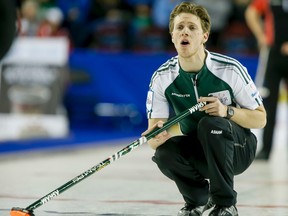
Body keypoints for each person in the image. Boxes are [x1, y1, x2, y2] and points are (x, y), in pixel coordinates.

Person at [141, 2, 266, 216]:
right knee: (164, 154)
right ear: (172, 36)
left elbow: (260, 119)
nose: (185, 32)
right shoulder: (161, 78)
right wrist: (156, 136)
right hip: (200, 150)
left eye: (192, 27)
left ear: (204, 36)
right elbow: (154, 136)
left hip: (238, 149)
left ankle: (225, 203)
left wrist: (228, 112)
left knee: (212, 123)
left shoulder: (230, 69)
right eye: (179, 28)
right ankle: (197, 200)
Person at [245, 0, 288, 160]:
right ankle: (266, 149)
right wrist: (261, 36)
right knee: (269, 102)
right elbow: (251, 12)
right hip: (274, 54)